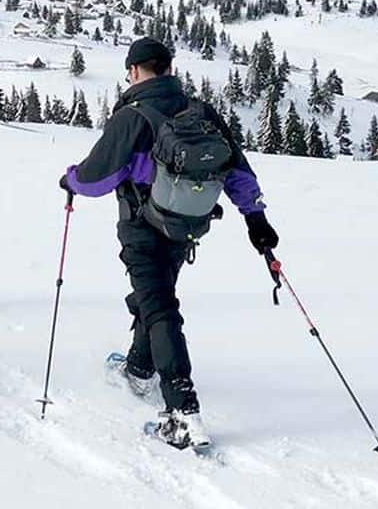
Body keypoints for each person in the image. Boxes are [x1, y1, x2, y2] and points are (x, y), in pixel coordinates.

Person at [59, 37, 278, 450]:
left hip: (142, 225)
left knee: (159, 303)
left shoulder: (132, 116)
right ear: (169, 68)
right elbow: (237, 171)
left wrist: (69, 179)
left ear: (135, 71)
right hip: (187, 226)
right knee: (157, 292)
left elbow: (95, 179)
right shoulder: (200, 111)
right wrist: (256, 218)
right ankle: (141, 366)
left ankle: (182, 410)